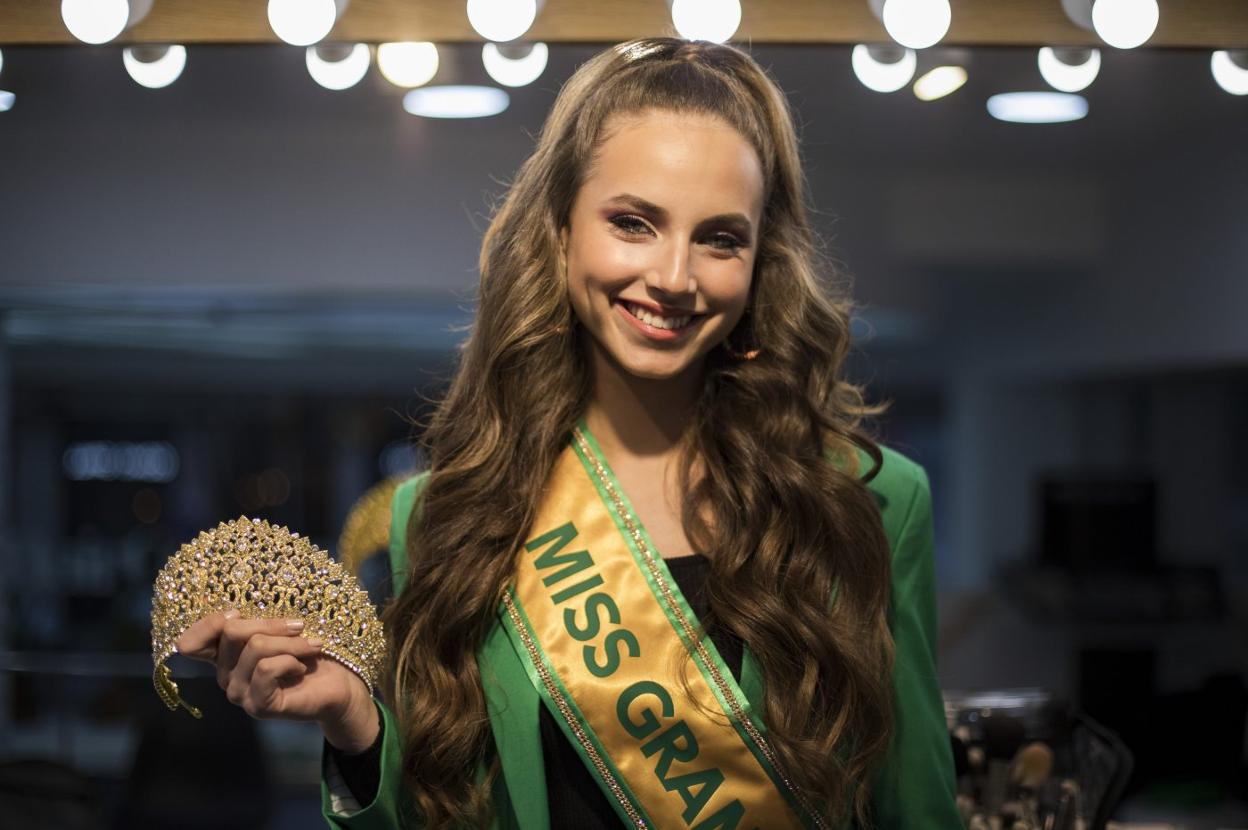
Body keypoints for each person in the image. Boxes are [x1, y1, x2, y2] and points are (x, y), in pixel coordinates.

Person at [176, 37, 961, 829]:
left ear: (761, 262)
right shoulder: (450, 515)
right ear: (559, 231)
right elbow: (450, 810)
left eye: (721, 238)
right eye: (633, 222)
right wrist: (354, 724)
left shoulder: (871, 503)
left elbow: (917, 807)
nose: (675, 277)